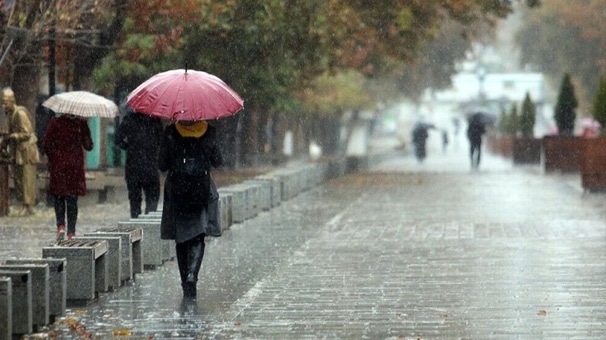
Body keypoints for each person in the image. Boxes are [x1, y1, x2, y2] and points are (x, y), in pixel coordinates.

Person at [159, 119, 223, 299]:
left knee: (181, 238)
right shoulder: (209, 131)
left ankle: (185, 282)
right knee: (198, 234)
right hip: (200, 190)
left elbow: (162, 165)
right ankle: (192, 275)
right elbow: (218, 161)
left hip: (177, 191)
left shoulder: (171, 132)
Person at [42, 113, 93, 241]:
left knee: (58, 197)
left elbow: (46, 144)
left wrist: (54, 157)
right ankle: (71, 232)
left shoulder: (55, 122)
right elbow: (88, 146)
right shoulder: (80, 123)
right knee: (72, 199)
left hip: (58, 165)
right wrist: (85, 127)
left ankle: (61, 226)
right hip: (74, 167)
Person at [115, 111, 163, 218]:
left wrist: (129, 146)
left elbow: (118, 139)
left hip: (133, 165)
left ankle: (136, 224)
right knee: (152, 197)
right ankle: (148, 223)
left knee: (134, 199)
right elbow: (161, 141)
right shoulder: (155, 120)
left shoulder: (129, 119)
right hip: (151, 165)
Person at [1, 87, 40, 216]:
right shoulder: (10, 114)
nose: (3, 105)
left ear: (12, 101)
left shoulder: (20, 113)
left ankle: (27, 206)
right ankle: (25, 204)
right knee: (19, 178)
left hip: (27, 150)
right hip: (20, 151)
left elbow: (27, 133)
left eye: (5, 102)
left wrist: (13, 136)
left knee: (27, 178)